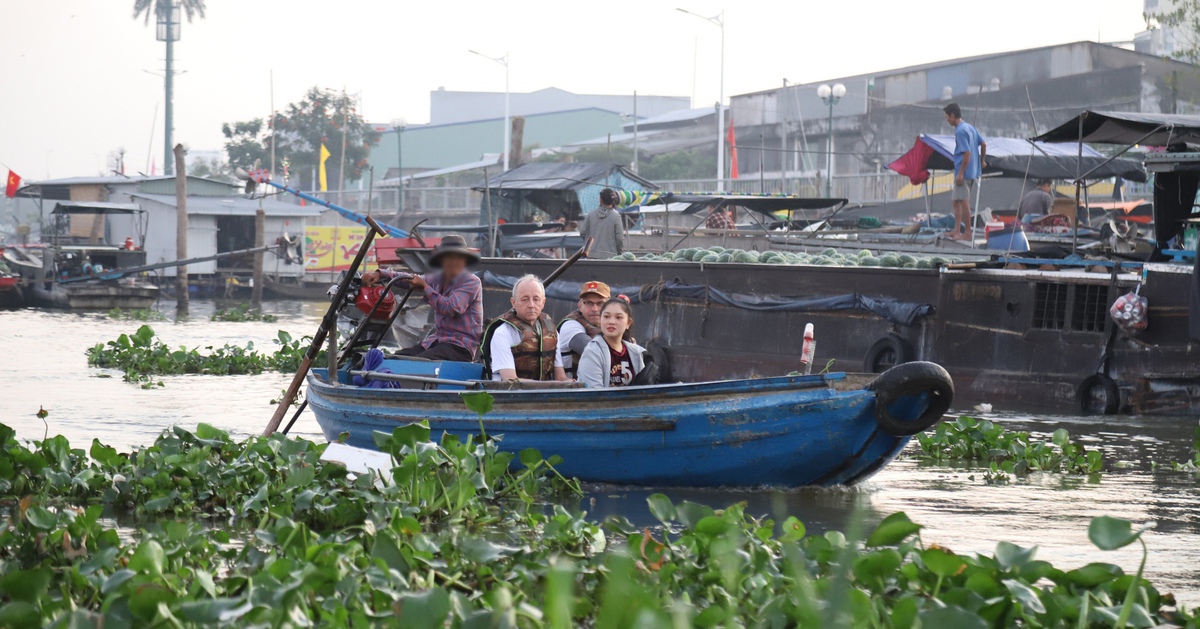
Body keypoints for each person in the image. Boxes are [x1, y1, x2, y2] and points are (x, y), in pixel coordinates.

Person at [362, 234, 483, 362]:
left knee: (417, 362)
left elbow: (450, 307)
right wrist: (381, 274)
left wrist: (425, 287)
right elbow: (411, 279)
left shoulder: (471, 282)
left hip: (460, 347)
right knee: (396, 358)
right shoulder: (439, 278)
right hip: (438, 341)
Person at [482, 274, 569, 382]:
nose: (531, 305)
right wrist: (549, 387)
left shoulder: (551, 331)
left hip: (544, 394)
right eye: (525, 299)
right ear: (513, 303)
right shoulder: (503, 333)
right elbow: (510, 380)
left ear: (543, 303)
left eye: (536, 299)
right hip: (509, 395)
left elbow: (561, 378)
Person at [577, 297, 646, 388]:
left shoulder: (636, 353)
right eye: (606, 317)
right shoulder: (593, 352)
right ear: (600, 320)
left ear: (628, 323)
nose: (611, 322)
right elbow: (593, 395)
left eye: (618, 317)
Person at [943, 103, 987, 240]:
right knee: (956, 201)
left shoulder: (961, 131)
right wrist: (982, 161)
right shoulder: (970, 128)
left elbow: (967, 153)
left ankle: (967, 233)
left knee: (963, 201)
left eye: (947, 117)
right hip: (972, 171)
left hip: (964, 173)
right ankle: (957, 230)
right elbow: (983, 143)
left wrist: (961, 173)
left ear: (953, 116)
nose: (947, 120)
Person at [558, 280, 609, 378]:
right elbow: (594, 352)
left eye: (600, 303)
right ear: (580, 306)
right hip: (573, 390)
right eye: (589, 303)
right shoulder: (570, 325)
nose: (595, 309)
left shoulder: (609, 323)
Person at [579, 188, 625, 259]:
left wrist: (590, 246)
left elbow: (582, 232)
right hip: (610, 257)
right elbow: (619, 239)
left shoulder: (591, 215)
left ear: (601, 200)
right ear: (613, 200)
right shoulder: (616, 217)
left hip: (590, 255)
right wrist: (619, 254)